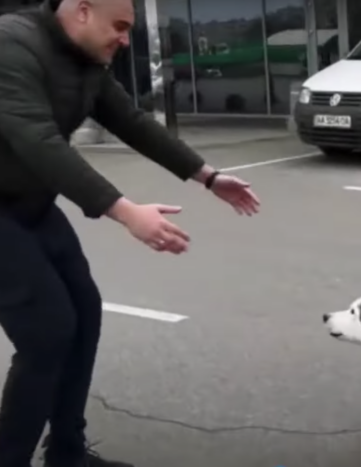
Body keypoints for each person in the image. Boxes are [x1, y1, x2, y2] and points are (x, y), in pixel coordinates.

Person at [0, 0, 261, 466]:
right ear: (82, 11)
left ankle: (66, 452)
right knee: (47, 333)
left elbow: (131, 121)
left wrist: (207, 175)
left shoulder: (88, 61)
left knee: (84, 312)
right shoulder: (12, 45)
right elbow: (38, 140)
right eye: (119, 26)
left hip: (29, 203)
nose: (125, 39)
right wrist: (124, 212)